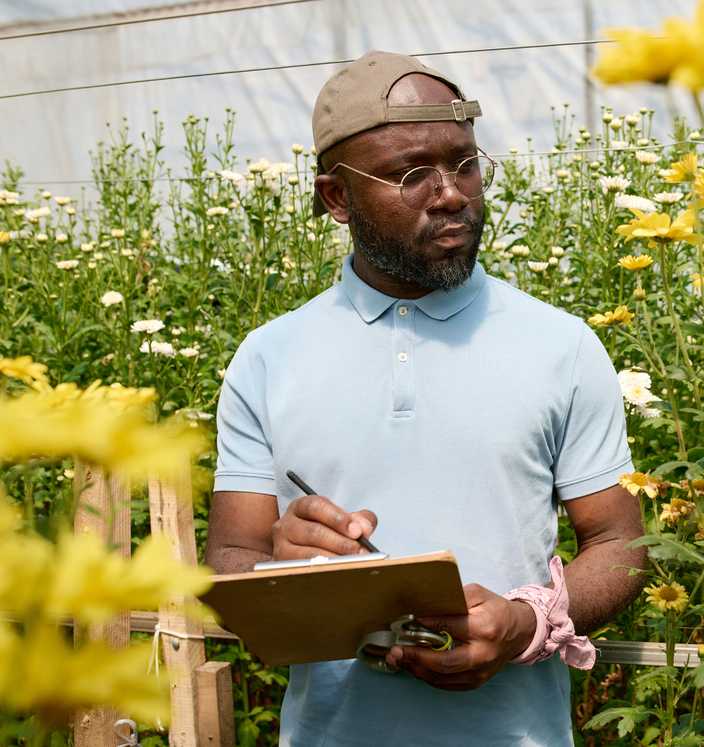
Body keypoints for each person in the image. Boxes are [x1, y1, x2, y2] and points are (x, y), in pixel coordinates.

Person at [204, 50, 646, 746]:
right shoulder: (268, 357)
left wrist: (526, 623)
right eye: (412, 173)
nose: (451, 194)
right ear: (336, 198)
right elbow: (230, 559)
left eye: (465, 163)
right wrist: (277, 570)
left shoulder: (561, 345)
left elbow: (621, 541)